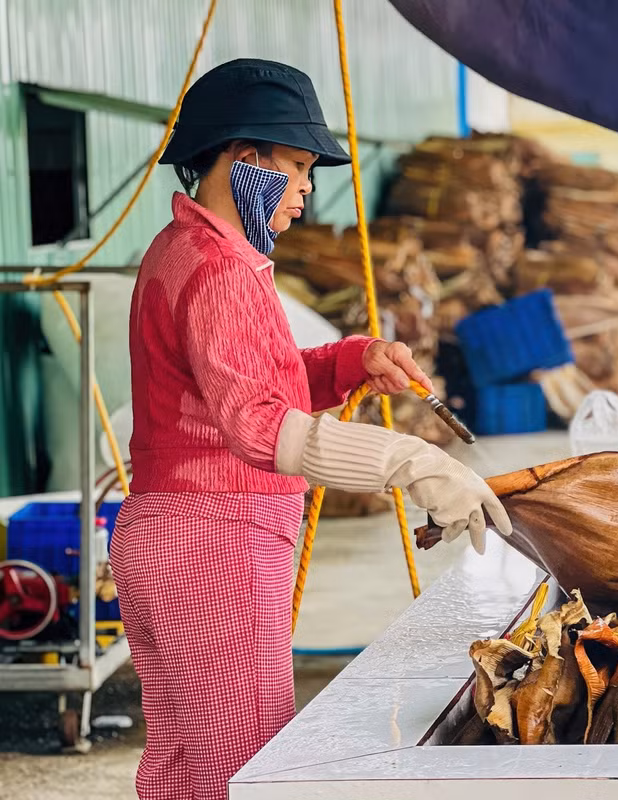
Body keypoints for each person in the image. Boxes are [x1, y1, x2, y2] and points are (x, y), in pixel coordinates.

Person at [109, 58, 512, 800]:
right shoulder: (219, 270)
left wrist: (354, 360)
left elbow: (245, 376)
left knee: (182, 768)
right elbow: (258, 426)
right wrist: (411, 460)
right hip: (214, 542)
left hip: (170, 536)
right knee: (247, 767)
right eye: (294, 167)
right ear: (242, 158)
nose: (305, 189)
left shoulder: (190, 250)